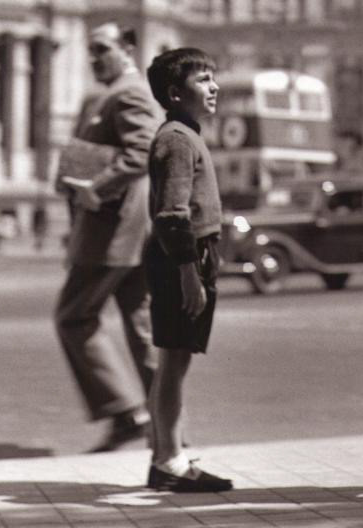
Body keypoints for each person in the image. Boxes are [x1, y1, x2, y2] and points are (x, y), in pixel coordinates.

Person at [54, 23, 162, 452]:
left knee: (73, 316)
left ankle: (127, 412)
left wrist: (96, 187)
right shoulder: (104, 96)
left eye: (102, 49)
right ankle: (168, 429)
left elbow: (143, 152)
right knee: (141, 327)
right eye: (91, 51)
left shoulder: (130, 93)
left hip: (114, 231)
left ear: (127, 49)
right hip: (122, 230)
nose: (94, 58)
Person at [142, 47, 233, 493]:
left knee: (173, 362)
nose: (214, 87)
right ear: (176, 94)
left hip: (191, 255)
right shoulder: (178, 140)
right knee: (174, 362)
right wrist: (188, 273)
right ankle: (169, 462)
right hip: (182, 257)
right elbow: (173, 214)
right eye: (203, 80)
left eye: (212, 78)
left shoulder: (184, 135)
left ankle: (167, 453)